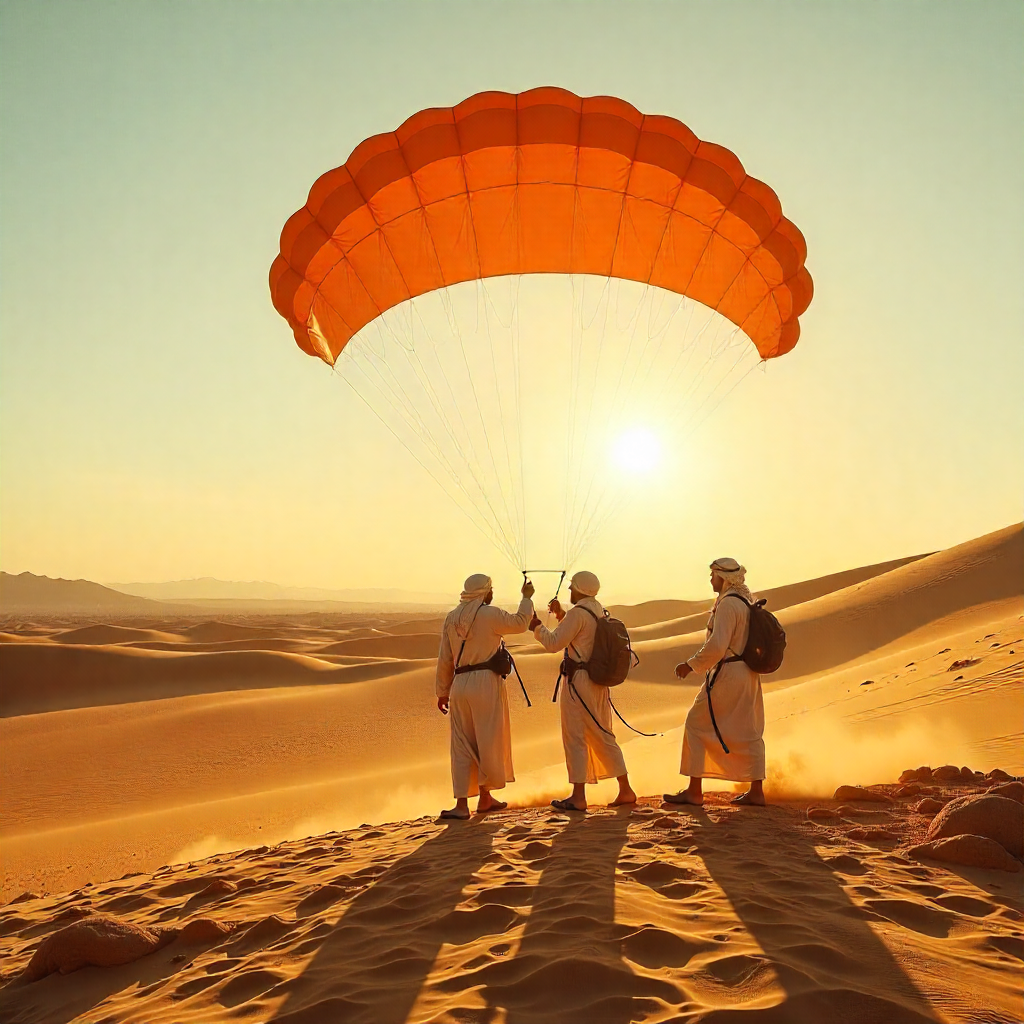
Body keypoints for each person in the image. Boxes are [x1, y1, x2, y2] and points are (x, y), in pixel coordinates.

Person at [529, 570, 636, 812]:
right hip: (595, 682)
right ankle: (625, 789)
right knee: (602, 733)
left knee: (576, 736)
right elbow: (582, 635)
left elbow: (554, 643)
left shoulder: (578, 613)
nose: (569, 590)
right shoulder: (597, 609)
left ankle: (578, 797)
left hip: (579, 683)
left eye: (572, 587)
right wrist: (561, 616)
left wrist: (536, 627)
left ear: (579, 589)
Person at [665, 557, 766, 807]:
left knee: (695, 723)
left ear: (722, 577)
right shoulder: (743, 601)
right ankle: (756, 791)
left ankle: (694, 791)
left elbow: (718, 645)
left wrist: (691, 664)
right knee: (749, 730)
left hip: (729, 673)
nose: (710, 579)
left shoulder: (729, 604)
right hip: (746, 673)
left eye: (713, 575)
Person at [436, 573, 535, 820]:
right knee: (487, 741)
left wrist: (442, 692)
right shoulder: (490, 614)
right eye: (491, 589)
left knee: (462, 745)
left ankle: (465, 804)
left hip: (459, 683)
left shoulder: (452, 617)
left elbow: (445, 658)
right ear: (485, 592)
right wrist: (526, 598)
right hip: (485, 682)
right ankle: (484, 796)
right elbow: (521, 623)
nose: (492, 593)